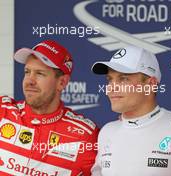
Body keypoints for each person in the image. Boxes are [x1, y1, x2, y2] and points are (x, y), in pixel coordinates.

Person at [90, 45, 171, 176]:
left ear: (150, 84)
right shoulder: (107, 132)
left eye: (123, 79)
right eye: (110, 80)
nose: (112, 88)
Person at [0, 40, 99, 176]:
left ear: (62, 82)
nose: (29, 80)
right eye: (27, 72)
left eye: (40, 73)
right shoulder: (3, 111)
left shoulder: (85, 136)